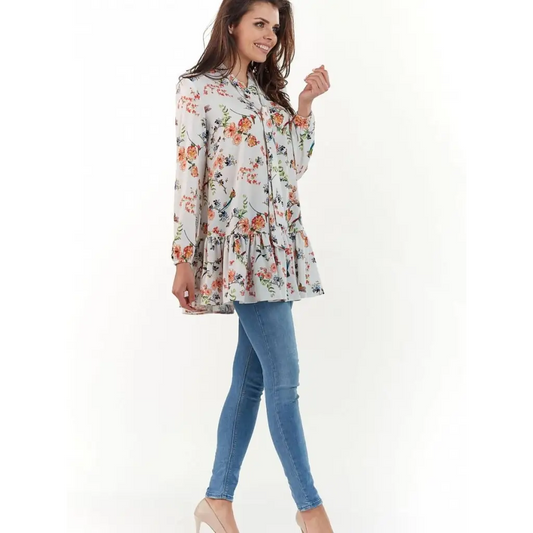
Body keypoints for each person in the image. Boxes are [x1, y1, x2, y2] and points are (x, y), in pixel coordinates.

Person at [171, 1, 333, 531]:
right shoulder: (198, 90)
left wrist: (304, 104)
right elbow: (189, 176)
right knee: (285, 379)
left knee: (251, 381)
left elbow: (293, 167)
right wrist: (182, 258)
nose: (269, 36)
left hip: (279, 250)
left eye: (275, 28)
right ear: (232, 24)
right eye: (260, 24)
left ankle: (217, 500)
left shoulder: (268, 95)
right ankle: (311, 512)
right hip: (238, 255)